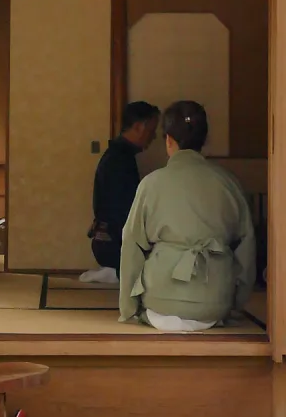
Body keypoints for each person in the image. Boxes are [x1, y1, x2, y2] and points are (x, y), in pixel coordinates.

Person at [119, 100, 256, 333]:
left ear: (168, 140)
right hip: (213, 306)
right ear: (204, 140)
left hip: (161, 302)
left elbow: (131, 246)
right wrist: (235, 302)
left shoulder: (151, 184)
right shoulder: (228, 183)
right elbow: (247, 246)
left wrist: (128, 308)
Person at [80, 101, 160, 285]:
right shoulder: (119, 160)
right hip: (113, 244)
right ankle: (116, 271)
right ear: (139, 127)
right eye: (152, 129)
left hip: (106, 242)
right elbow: (123, 210)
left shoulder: (118, 155)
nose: (153, 136)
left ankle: (115, 269)